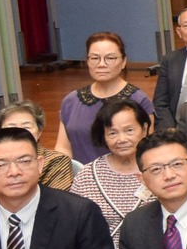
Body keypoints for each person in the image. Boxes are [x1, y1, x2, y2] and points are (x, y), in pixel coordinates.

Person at [55, 32, 153, 166]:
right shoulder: (71, 101)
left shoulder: (139, 100)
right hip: (80, 175)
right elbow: (63, 148)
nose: (101, 64)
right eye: (95, 58)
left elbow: (147, 151)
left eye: (110, 58)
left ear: (123, 61)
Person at [70, 98, 155, 244]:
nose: (121, 139)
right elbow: (73, 221)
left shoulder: (159, 169)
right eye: (112, 133)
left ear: (144, 129)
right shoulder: (87, 175)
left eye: (129, 130)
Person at [0, 101, 76, 207]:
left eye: (26, 127)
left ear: (39, 132)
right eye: (11, 128)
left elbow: (58, 203)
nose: (19, 133)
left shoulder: (57, 161)